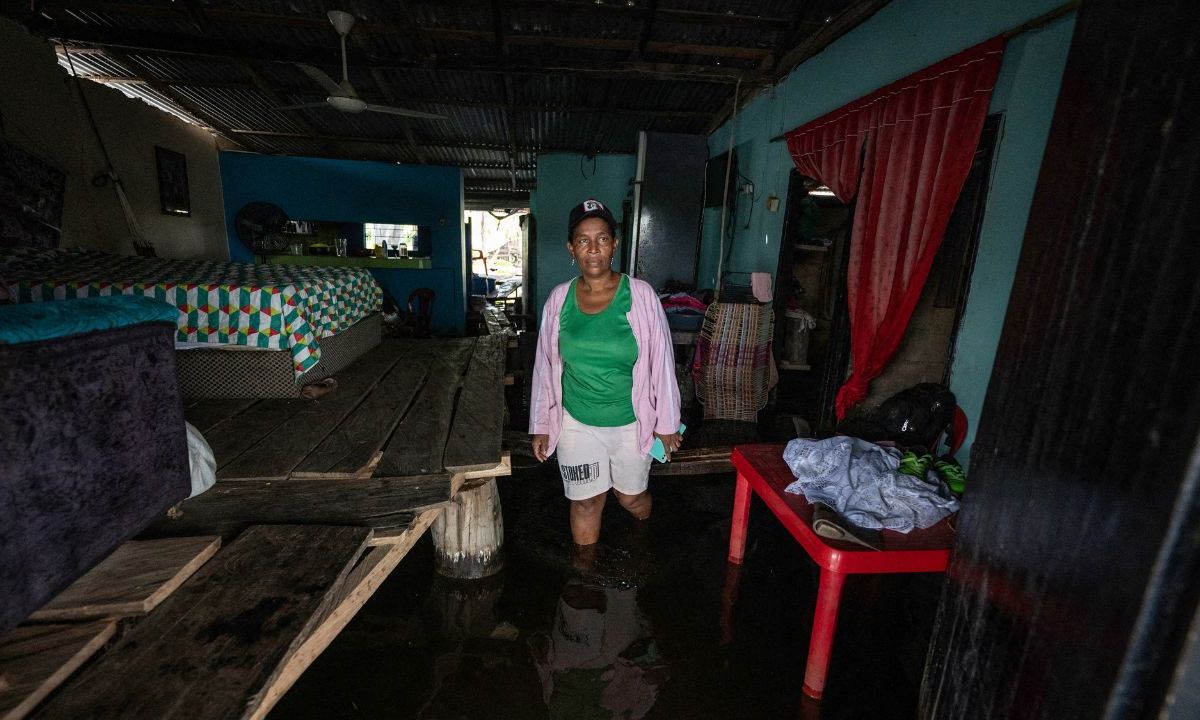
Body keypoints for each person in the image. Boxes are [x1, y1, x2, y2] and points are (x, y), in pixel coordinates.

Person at [530, 198, 682, 550]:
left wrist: (668, 423)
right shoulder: (558, 299)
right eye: (583, 240)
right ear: (572, 249)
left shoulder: (641, 295)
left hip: (632, 420)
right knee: (585, 501)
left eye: (602, 238)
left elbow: (662, 360)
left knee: (630, 497)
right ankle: (583, 579)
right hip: (576, 421)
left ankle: (644, 537)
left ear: (614, 244)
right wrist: (540, 424)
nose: (593, 248)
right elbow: (544, 365)